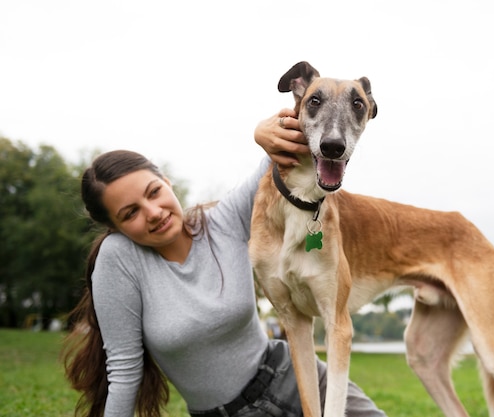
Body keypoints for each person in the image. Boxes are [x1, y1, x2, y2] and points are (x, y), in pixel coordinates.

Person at [62, 108, 387, 417]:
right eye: (130, 213)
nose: (154, 212)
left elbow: (297, 134)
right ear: (114, 228)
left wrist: (260, 132)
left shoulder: (223, 221)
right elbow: (123, 369)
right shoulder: (119, 258)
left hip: (296, 375)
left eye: (153, 192)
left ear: (167, 181)